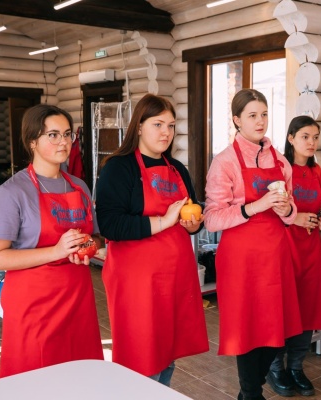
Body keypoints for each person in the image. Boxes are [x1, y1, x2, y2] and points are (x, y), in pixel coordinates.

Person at [95, 94, 208, 386]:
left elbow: (192, 212)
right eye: (158, 124)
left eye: (170, 125)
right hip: (136, 280)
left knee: (167, 351)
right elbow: (110, 225)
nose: (165, 132)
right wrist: (163, 221)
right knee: (141, 354)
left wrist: (194, 225)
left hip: (174, 276)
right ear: (139, 126)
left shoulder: (177, 168)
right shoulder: (118, 168)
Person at [0, 104, 103, 378]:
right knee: (36, 380)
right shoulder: (13, 192)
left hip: (78, 299)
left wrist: (89, 245)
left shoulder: (80, 187)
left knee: (79, 377)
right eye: (53, 135)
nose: (63, 141)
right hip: (34, 304)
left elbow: (96, 237)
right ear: (32, 141)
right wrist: (57, 251)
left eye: (67, 134)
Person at [204, 88, 302, 400]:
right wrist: (254, 207)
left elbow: (292, 210)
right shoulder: (225, 161)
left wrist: (286, 210)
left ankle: (251, 391)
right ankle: (250, 393)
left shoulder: (280, 161)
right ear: (237, 120)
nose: (260, 121)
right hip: (241, 258)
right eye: (252, 116)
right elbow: (212, 219)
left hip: (275, 255)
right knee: (247, 329)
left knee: (276, 328)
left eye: (264, 114)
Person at [267, 116, 321, 397]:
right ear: (291, 138)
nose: (311, 142)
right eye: (305, 136)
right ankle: (275, 368)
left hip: (311, 249)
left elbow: (320, 206)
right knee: (282, 308)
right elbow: (270, 210)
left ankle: (296, 367)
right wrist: (296, 218)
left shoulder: (316, 171)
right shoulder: (280, 170)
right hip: (284, 248)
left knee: (307, 308)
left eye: (315, 137)